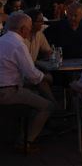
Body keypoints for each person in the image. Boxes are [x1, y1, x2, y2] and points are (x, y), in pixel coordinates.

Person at [0, 13, 54, 152]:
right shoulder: (19, 45)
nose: (30, 31)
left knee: (33, 93)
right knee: (46, 106)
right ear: (23, 29)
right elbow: (32, 75)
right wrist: (46, 77)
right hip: (8, 91)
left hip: (6, 87)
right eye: (29, 28)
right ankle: (25, 141)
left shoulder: (3, 40)